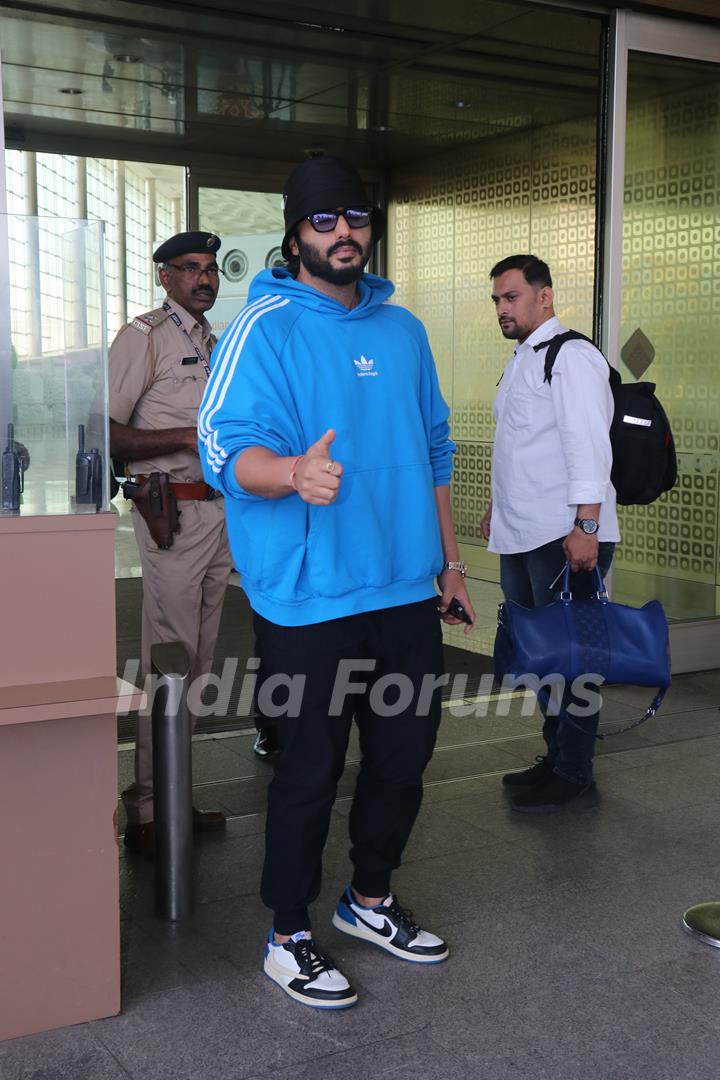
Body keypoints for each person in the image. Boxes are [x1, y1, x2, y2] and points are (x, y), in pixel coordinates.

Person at [197, 155, 474, 1009]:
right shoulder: (266, 326)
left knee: (403, 758)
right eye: (325, 220)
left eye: (355, 217)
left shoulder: (405, 331)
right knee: (309, 769)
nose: (343, 232)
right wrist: (287, 474)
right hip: (309, 598)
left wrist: (451, 563)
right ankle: (288, 932)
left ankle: (369, 900)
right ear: (295, 234)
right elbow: (219, 445)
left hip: (402, 590)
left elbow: (435, 451)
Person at [109, 231, 233, 856]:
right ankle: (149, 808)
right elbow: (107, 433)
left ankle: (174, 796)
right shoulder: (145, 337)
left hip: (218, 518)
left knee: (201, 663)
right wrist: (191, 433)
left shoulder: (215, 340)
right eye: (191, 269)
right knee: (170, 661)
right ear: (164, 277)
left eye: (210, 269)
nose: (204, 278)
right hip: (171, 519)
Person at [483, 254, 620, 813]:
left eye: (511, 297)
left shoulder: (572, 356)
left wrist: (586, 525)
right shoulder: (522, 359)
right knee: (541, 656)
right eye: (496, 300)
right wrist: (497, 507)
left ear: (545, 296)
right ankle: (556, 756)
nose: (501, 309)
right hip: (522, 532)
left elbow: (587, 444)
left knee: (573, 658)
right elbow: (518, 445)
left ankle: (574, 771)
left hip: (564, 535)